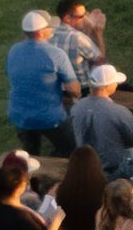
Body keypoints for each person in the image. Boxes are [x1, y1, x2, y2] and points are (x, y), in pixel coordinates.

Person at [5, 10, 78, 154]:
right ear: (40, 33)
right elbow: (74, 88)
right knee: (71, 150)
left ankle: (32, 158)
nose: (52, 29)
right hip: (50, 118)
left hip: (20, 115)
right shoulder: (56, 54)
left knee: (31, 152)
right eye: (49, 27)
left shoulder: (13, 50)